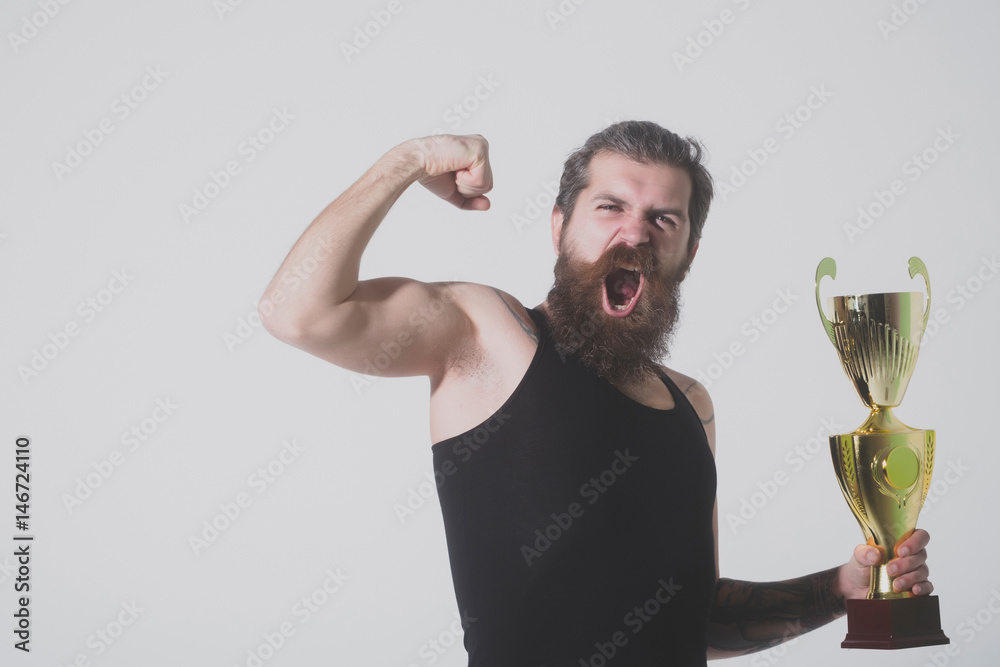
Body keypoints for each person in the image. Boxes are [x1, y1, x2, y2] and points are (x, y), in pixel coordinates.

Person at [258, 121, 934, 665]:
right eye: (610, 207)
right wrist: (407, 159)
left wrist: (840, 590)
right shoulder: (485, 333)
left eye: (663, 219)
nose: (634, 233)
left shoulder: (691, 404)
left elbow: (696, 620)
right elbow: (297, 311)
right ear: (558, 226)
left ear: (688, 253)